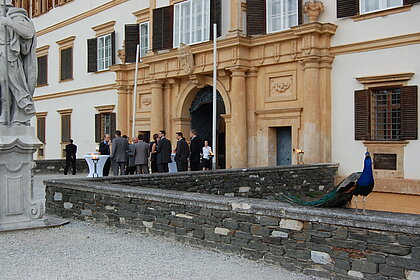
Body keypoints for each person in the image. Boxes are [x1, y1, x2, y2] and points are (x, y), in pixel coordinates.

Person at [0, 0, 37, 126]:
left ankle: (6, 113)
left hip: (8, 55)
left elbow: (28, 33)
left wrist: (9, 23)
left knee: (6, 83)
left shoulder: (15, 15)